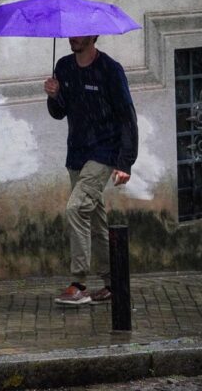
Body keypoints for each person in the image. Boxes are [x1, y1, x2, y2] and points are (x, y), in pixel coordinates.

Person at [44, 35, 138, 305]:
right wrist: (54, 96)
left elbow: (127, 116)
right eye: (71, 32)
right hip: (77, 154)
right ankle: (114, 282)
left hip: (104, 152)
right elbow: (59, 112)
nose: (73, 37)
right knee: (96, 223)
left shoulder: (110, 69)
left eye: (80, 32)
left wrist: (125, 162)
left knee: (75, 208)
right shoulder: (63, 66)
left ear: (93, 36)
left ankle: (78, 284)